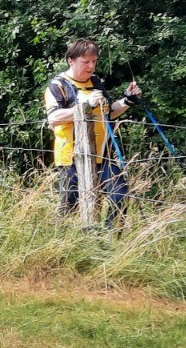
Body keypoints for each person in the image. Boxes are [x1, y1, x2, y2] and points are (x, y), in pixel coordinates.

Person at [43, 37, 141, 225]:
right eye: (85, 62)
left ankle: (108, 237)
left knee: (120, 195)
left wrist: (128, 100)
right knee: (69, 208)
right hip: (71, 159)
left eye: (94, 61)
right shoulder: (58, 85)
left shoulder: (96, 82)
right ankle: (62, 238)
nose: (91, 66)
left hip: (102, 156)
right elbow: (53, 118)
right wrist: (85, 105)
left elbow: (108, 113)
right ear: (71, 61)